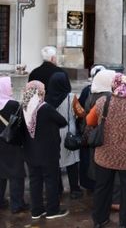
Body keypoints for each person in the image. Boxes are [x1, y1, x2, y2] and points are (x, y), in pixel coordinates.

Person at [86, 73, 126, 228]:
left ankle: (100, 220)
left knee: (102, 188)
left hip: (104, 155)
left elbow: (89, 120)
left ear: (113, 85)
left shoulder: (102, 102)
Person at [21, 81, 69, 220]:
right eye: (42, 90)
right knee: (51, 180)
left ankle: (36, 210)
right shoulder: (45, 108)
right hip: (48, 153)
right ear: (39, 92)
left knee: (35, 181)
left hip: (30, 152)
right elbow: (62, 121)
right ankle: (52, 210)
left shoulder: (23, 108)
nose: (44, 91)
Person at [77, 69, 116, 192]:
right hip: (106, 136)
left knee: (94, 162)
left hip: (93, 135)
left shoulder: (91, 95)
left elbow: (88, 118)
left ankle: (95, 186)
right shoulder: (109, 97)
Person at [47, 72, 82, 199]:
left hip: (53, 133)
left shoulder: (47, 98)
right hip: (68, 132)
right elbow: (81, 113)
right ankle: (75, 189)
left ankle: (58, 188)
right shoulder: (71, 97)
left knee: (56, 161)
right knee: (71, 162)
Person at [0, 76, 28, 214]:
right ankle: (17, 204)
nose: (11, 86)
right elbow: (21, 125)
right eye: (9, 84)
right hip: (12, 143)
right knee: (16, 174)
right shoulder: (13, 105)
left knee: (1, 173)